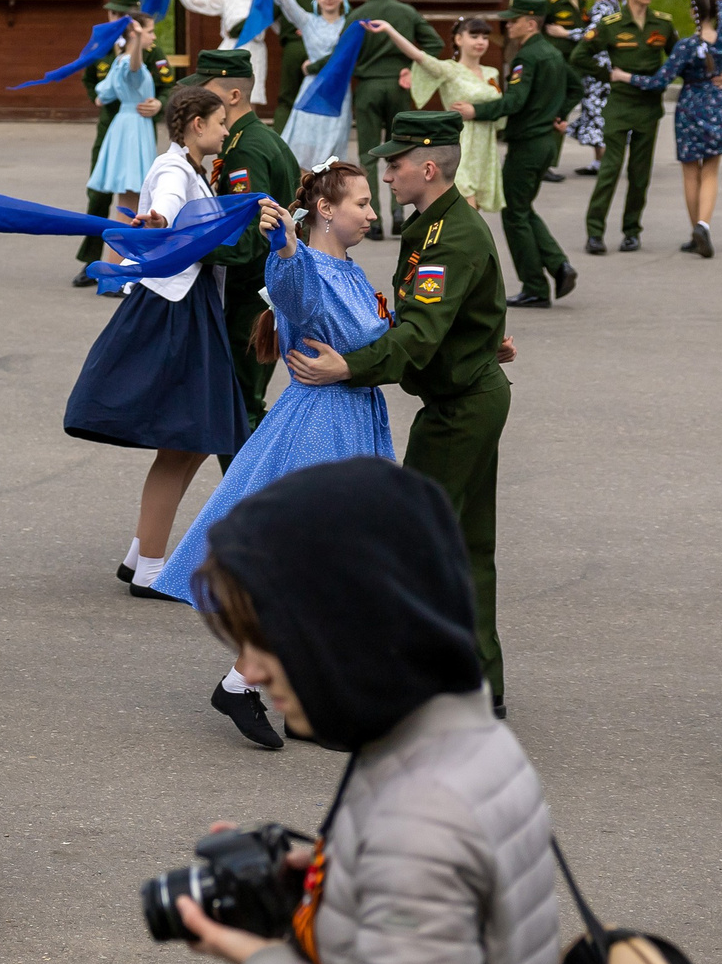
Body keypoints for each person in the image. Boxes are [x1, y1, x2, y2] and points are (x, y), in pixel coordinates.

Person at [171, 463, 558, 964]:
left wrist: (262, 963)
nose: (248, 670)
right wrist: (331, 882)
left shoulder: (420, 823)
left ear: (348, 626)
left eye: (266, 640)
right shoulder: (462, 736)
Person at [155, 163, 391, 749]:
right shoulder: (304, 267)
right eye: (362, 202)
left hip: (352, 423)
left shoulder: (351, 271)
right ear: (327, 212)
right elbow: (291, 288)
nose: (372, 212)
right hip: (319, 430)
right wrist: (284, 246)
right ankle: (242, 683)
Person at [287, 111, 513, 710]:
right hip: (466, 390)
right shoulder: (429, 229)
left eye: (395, 164)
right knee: (464, 547)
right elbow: (461, 310)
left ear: (428, 168)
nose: (387, 174)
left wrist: (348, 367)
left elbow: (418, 333)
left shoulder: (450, 237)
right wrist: (484, 338)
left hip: (460, 406)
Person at [67, 85, 248, 598]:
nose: (225, 131)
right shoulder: (173, 171)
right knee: (185, 439)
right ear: (194, 124)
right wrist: (158, 220)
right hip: (175, 310)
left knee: (191, 441)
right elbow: (166, 206)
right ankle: (149, 567)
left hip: (190, 306)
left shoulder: (191, 169)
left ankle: (140, 555)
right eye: (218, 123)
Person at [189, 48, 300, 425]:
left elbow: (255, 234)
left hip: (250, 298)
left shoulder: (245, 149)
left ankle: (250, 487)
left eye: (206, 91)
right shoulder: (259, 139)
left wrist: (195, 248)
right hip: (261, 293)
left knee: (238, 410)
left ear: (233, 96)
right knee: (240, 406)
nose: (197, 101)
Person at [615, 0, 722, 259]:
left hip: (690, 108)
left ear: (694, 14)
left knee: (690, 172)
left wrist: (625, 76)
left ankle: (695, 230)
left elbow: (659, 81)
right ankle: (704, 225)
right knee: (711, 170)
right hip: (716, 104)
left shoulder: (685, 46)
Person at [473, 0, 581, 311]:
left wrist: (474, 111)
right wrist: (558, 114)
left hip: (528, 144)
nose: (507, 25)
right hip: (545, 141)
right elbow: (576, 88)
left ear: (530, 23)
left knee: (513, 212)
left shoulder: (529, 56)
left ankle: (535, 285)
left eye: (513, 20)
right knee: (522, 207)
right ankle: (558, 265)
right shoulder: (551, 52)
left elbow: (515, 101)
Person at [574, 0, 677, 255]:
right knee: (610, 168)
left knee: (639, 173)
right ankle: (595, 232)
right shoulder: (611, 25)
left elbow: (676, 58)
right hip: (619, 105)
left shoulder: (663, 24)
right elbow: (581, 55)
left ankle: (632, 231)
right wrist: (607, 76)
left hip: (648, 108)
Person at [73, 0, 174, 283]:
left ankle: (119, 264)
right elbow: (92, 78)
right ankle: (100, 262)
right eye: (113, 12)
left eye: (121, 14)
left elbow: (166, 84)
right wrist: (97, 95)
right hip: (116, 127)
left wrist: (160, 103)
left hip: (132, 126)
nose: (113, 17)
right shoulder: (105, 46)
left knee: (130, 199)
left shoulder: (145, 52)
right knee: (104, 198)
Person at [341, 0, 438, 238]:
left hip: (368, 87)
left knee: (368, 155)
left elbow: (342, 54)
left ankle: (374, 220)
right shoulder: (406, 12)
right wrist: (413, 67)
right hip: (399, 86)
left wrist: (312, 68)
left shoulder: (358, 15)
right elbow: (435, 44)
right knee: (401, 152)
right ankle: (399, 213)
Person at [371, 15, 503, 211]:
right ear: (459, 39)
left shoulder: (492, 73)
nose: (480, 42)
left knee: (471, 214)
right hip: (462, 145)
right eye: (474, 36)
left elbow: (500, 109)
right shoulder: (450, 70)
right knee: (467, 207)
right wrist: (389, 28)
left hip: (485, 148)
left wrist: (476, 112)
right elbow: (418, 56)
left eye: (485, 37)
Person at [263, 0, 351, 169]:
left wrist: (312, 66)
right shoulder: (308, 22)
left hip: (338, 92)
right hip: (312, 90)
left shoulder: (348, 25)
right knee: (303, 145)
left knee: (333, 147)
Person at [85, 12, 163, 230]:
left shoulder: (118, 61)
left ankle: (122, 260)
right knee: (130, 206)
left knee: (131, 205)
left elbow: (102, 96)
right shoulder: (129, 62)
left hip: (125, 125)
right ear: (133, 34)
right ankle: (120, 262)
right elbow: (134, 68)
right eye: (150, 32)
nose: (153, 37)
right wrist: (138, 40)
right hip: (133, 130)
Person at [563, 0, 625, 177]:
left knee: (596, 112)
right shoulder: (613, 3)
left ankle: (607, 162)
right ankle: (599, 162)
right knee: (595, 111)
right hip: (604, 66)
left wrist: (563, 33)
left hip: (598, 67)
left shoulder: (602, 7)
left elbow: (591, 34)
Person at [538, 0, 594, 176]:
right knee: (553, 111)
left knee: (561, 112)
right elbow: (539, 31)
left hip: (573, 65)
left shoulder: (581, 1)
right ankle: (545, 163)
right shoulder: (551, 2)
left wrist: (566, 33)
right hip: (556, 65)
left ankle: (549, 162)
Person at [273, 0, 325, 126]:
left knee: (286, 100)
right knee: (318, 97)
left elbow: (269, 17)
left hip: (293, 48)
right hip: (319, 50)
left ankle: (281, 142)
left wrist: (283, 30)